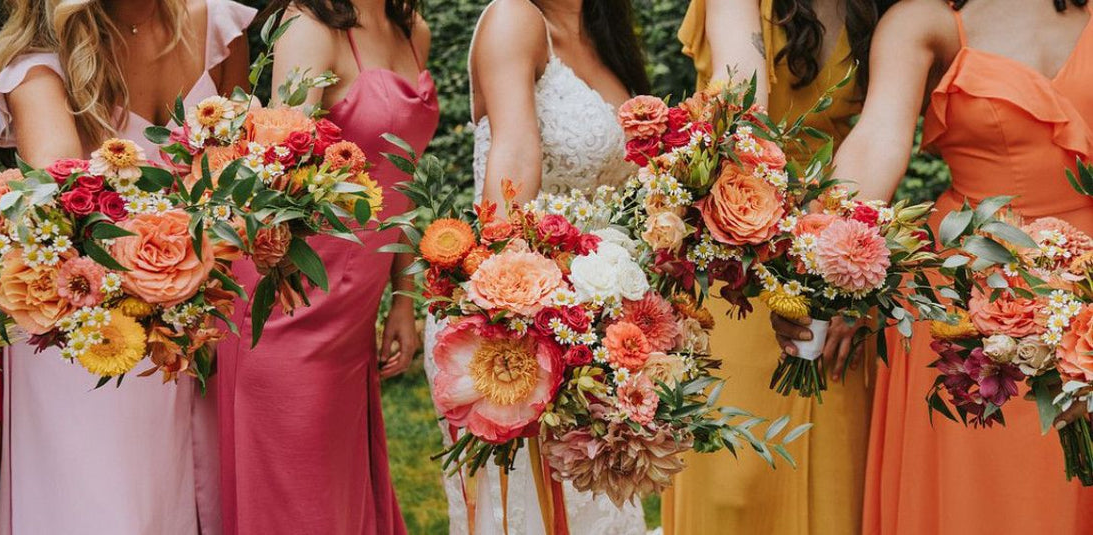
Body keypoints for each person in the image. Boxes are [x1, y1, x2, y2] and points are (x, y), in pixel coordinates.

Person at [770, 0, 1093, 532]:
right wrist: (816, 265)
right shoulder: (924, 20)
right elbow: (877, 142)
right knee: (985, 498)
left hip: (1084, 280)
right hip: (970, 300)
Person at [0, 0, 253, 532]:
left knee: (196, 489)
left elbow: (239, 166)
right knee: (104, 502)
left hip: (194, 321)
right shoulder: (39, 67)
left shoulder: (219, 26)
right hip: (87, 331)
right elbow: (69, 202)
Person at [421, 0, 649, 532]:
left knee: (600, 510)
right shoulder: (515, 18)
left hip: (594, 320)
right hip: (519, 321)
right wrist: (506, 306)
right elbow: (515, 154)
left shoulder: (601, 31)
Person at [663, 1, 891, 533]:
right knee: (733, 486)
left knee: (838, 478)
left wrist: (844, 265)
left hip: (838, 258)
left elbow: (880, 138)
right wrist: (787, 248)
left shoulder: (880, 9)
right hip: (739, 248)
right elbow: (742, 102)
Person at [213, 0, 437, 532]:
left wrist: (404, 299)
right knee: (297, 497)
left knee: (338, 491)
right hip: (292, 303)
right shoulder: (310, 26)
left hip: (356, 312)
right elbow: (272, 171)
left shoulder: (412, 28)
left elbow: (401, 179)